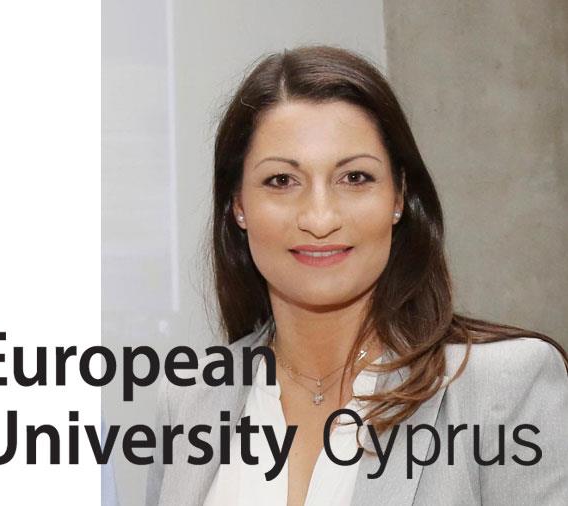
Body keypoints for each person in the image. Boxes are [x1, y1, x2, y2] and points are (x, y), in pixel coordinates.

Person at [144, 46, 568, 506]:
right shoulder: (189, 399)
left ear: (399, 196)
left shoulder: (505, 384)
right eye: (282, 181)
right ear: (238, 205)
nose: (320, 218)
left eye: (354, 178)